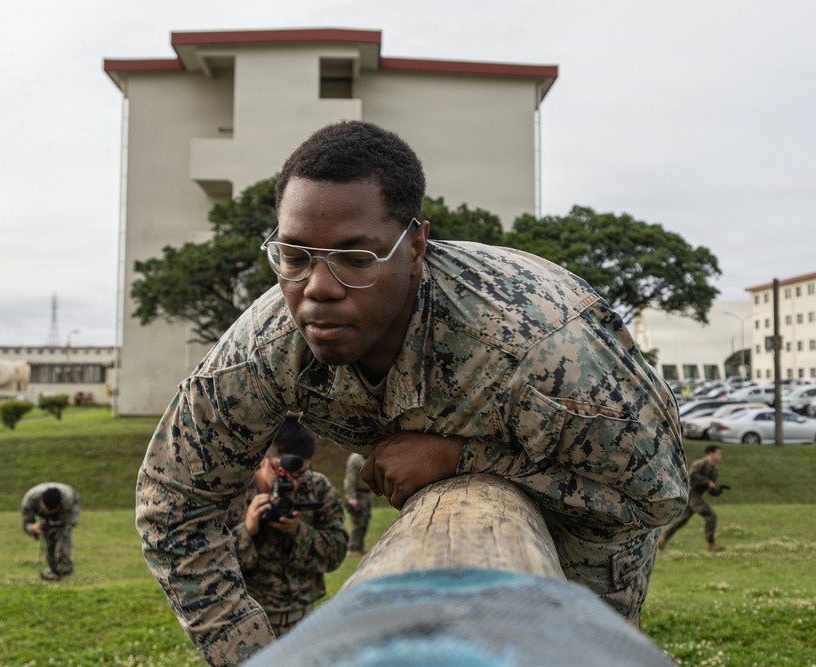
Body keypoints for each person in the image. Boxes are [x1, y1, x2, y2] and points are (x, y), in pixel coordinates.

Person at [136, 119, 687, 666]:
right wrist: (254, 656)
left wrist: (463, 458)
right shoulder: (266, 349)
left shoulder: (543, 349)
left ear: (416, 244)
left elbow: (653, 495)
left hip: (586, 562)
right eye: (295, 255)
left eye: (356, 258)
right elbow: (174, 502)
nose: (318, 289)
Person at [224, 416, 348, 637]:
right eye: (282, 472)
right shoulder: (232, 493)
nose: (292, 483)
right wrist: (248, 530)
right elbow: (211, 565)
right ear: (262, 457)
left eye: (300, 474)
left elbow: (336, 554)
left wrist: (298, 531)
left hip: (303, 621)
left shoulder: (317, 489)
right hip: (247, 622)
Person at [657, 445, 725, 554]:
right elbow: (692, 475)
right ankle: (710, 545)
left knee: (681, 520)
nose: (720, 456)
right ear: (711, 454)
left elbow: (708, 488)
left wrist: (716, 491)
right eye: (718, 453)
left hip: (697, 495)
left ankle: (662, 540)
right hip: (691, 494)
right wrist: (707, 482)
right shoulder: (700, 464)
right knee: (710, 516)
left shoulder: (715, 470)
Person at [21, 482, 80, 580]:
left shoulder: (68, 501)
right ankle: (53, 568)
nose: (50, 512)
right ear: (41, 502)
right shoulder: (29, 501)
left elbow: (69, 521)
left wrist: (56, 525)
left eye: (53, 511)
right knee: (48, 540)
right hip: (41, 502)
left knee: (63, 536)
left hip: (69, 503)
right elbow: (25, 524)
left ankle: (64, 569)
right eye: (47, 510)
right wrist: (33, 528)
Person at [343, 452, 372, 557]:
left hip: (366, 493)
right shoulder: (355, 459)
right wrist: (352, 497)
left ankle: (359, 547)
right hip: (358, 494)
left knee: (365, 520)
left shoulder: (367, 457)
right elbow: (350, 479)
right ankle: (352, 548)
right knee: (357, 521)